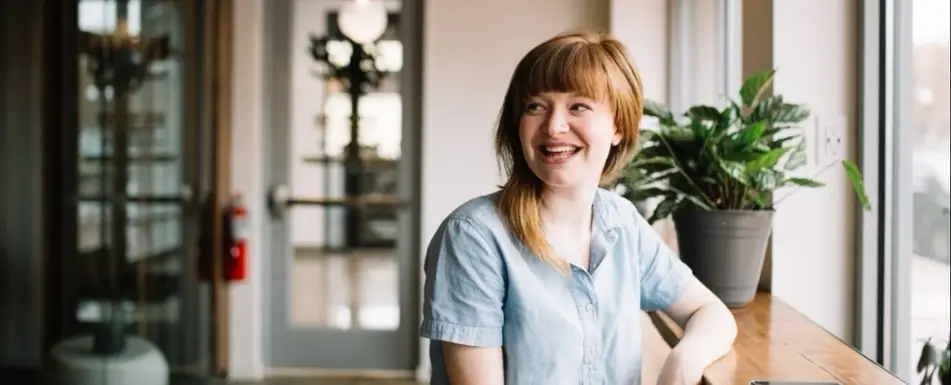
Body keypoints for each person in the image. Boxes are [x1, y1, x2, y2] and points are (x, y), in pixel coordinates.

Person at [419, 30, 737, 385]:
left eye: (578, 106)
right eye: (535, 106)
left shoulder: (621, 221)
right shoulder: (473, 237)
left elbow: (710, 312)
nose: (553, 126)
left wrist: (683, 361)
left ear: (619, 126)